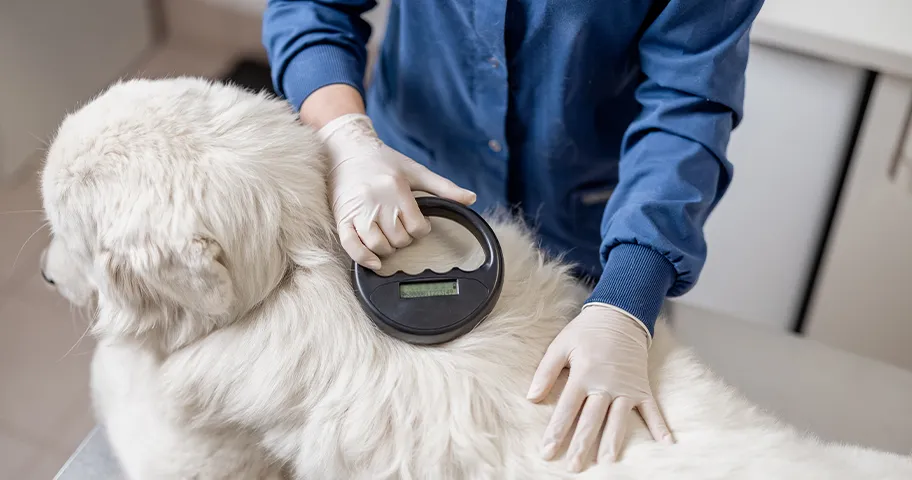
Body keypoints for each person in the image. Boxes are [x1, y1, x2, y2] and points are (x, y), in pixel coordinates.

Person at [263, 0, 764, 472]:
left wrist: (627, 300)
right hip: (403, 199)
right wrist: (344, 134)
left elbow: (688, 102)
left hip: (601, 237)